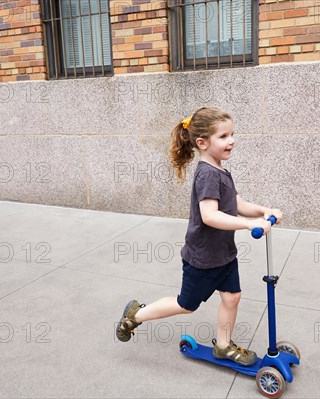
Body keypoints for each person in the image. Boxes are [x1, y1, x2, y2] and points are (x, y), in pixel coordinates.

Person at [116, 107, 282, 366]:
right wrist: (250, 225)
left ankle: (224, 346)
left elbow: (235, 202)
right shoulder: (206, 174)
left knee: (232, 297)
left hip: (224, 254)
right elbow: (210, 216)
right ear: (202, 143)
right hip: (202, 259)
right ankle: (137, 315)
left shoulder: (220, 169)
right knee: (186, 304)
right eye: (224, 136)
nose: (232, 141)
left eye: (232, 134)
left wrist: (263, 211)